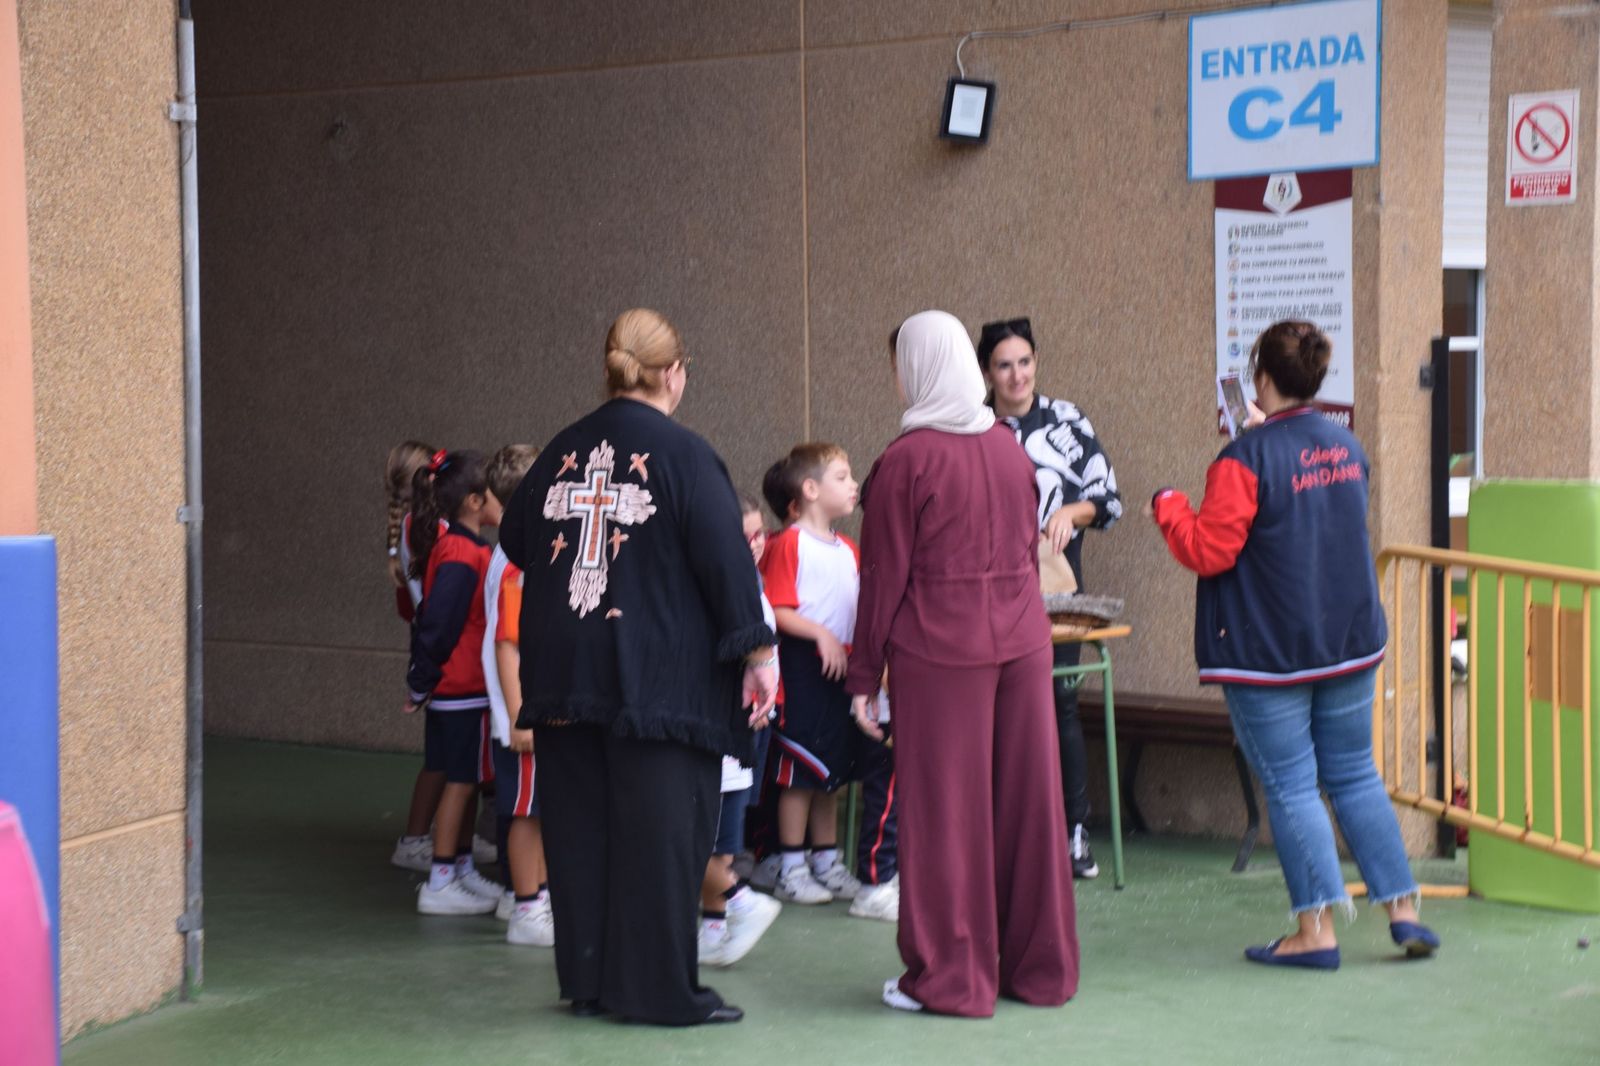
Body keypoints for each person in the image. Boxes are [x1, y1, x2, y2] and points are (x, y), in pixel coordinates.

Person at [499, 307, 777, 1026]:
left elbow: (519, 538)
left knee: (581, 833)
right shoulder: (686, 455)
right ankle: (656, 992)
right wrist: (759, 653)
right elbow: (725, 563)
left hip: (564, 673)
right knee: (662, 838)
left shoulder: (564, 446)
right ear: (673, 373)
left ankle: (589, 983)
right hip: (659, 679)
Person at [1148, 319, 1440, 969]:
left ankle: (1315, 933)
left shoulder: (1242, 460)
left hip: (1268, 652)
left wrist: (1168, 504)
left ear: (1261, 380)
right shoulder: (1345, 445)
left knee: (1291, 786)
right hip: (1350, 641)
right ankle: (1404, 912)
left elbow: (1208, 548)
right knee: (1355, 775)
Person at [847, 309, 1078, 1017]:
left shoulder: (904, 460)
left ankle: (950, 980)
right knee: (1030, 808)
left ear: (918, 368)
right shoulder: (1010, 448)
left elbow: (883, 578)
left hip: (940, 652)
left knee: (946, 815)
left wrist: (864, 679)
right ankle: (1041, 973)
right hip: (1022, 641)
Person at [977, 317, 1121, 880]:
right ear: (987, 372)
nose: (1016, 375)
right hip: (986, 587)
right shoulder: (973, 424)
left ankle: (1073, 831)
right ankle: (1002, 838)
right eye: (1004, 365)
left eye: (1024, 362)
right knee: (993, 708)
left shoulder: (1066, 418)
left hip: (1056, 587)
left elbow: (1108, 498)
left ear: (1037, 361)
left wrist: (1069, 511)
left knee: (1059, 701)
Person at [758, 443, 867, 905]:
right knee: (799, 772)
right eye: (842, 476)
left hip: (840, 671)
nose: (853, 484)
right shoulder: (788, 544)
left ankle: (826, 860)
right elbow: (775, 609)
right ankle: (791, 864)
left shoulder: (849, 548)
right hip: (801, 669)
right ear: (810, 488)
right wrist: (819, 634)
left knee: (831, 771)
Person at [405, 449, 505, 916]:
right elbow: (439, 624)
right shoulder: (461, 552)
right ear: (472, 502)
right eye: (493, 495)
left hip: (465, 689)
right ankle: (441, 878)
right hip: (459, 689)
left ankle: (460, 867)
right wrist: (422, 681)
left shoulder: (468, 547)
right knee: (461, 782)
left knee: (467, 779)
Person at [697, 496, 784, 968]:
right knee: (704, 842)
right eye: (742, 536)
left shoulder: (750, 590)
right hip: (718, 739)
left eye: (759, 534)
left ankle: (727, 915)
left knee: (717, 846)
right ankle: (724, 919)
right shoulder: (728, 589)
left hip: (735, 738)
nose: (753, 545)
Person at [480, 444, 555, 946]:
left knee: (539, 809)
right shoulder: (518, 563)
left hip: (530, 711)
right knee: (528, 812)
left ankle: (535, 897)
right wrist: (520, 715)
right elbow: (509, 644)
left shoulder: (515, 553)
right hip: (524, 714)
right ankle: (529, 907)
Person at [385, 441, 449, 874]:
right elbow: (433, 601)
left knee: (452, 752)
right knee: (443, 754)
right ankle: (414, 839)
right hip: (438, 641)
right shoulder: (426, 528)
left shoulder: (417, 525)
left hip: (433, 637)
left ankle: (447, 837)